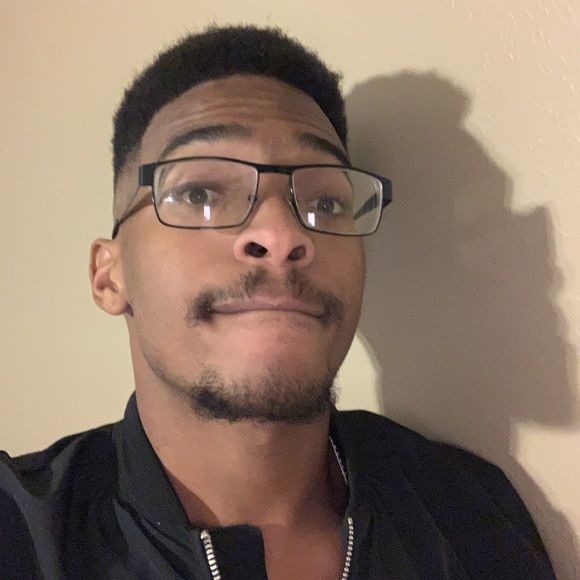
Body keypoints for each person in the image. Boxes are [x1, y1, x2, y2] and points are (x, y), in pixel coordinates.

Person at [0, 25, 555, 579]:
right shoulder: (22, 534)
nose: (282, 233)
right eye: (199, 193)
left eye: (326, 202)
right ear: (109, 276)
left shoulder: (470, 510)